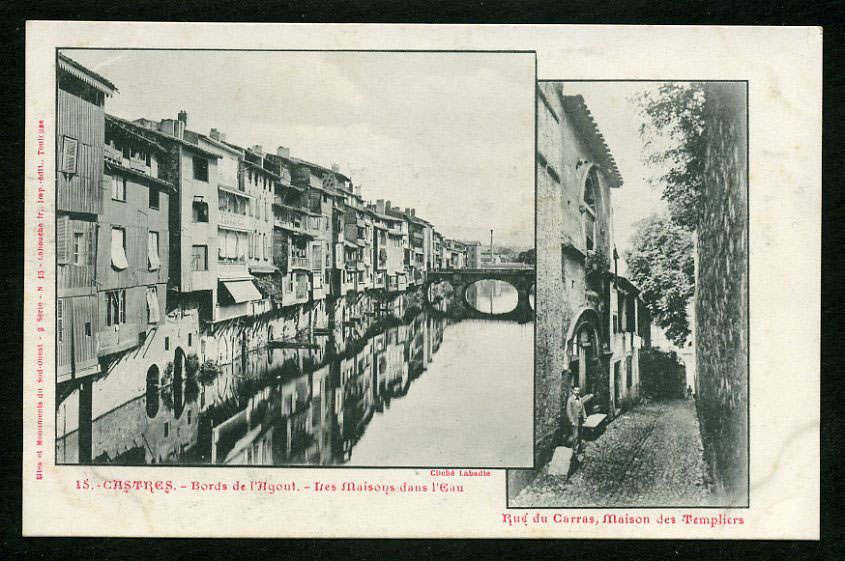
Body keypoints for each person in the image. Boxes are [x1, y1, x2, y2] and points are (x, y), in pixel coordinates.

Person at [566, 386, 587, 452]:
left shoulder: (580, 399)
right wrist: (571, 421)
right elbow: (568, 411)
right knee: (575, 435)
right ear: (573, 391)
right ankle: (573, 450)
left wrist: (584, 417)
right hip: (574, 420)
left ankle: (579, 448)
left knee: (580, 434)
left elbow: (583, 408)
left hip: (580, 420)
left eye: (578, 390)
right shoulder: (570, 400)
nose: (577, 392)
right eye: (575, 390)